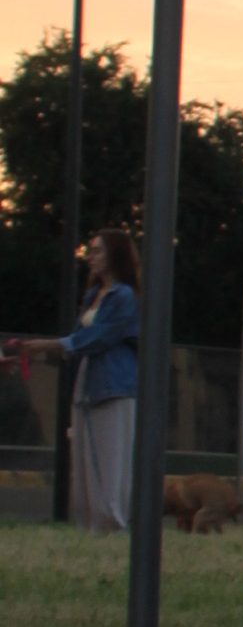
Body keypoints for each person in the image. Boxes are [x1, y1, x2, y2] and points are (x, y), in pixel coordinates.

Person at [48, 228, 141, 535]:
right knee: (85, 459)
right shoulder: (92, 296)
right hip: (87, 383)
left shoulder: (124, 297)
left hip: (113, 387)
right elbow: (81, 339)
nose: (91, 257)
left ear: (114, 255)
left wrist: (54, 345)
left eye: (97, 251)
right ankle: (89, 525)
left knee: (111, 461)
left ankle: (111, 526)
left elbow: (97, 337)